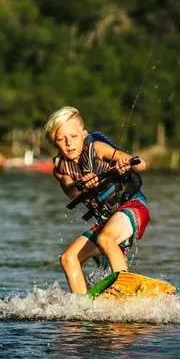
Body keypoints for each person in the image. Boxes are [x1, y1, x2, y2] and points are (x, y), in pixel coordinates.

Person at [45, 106, 150, 294]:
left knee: (105, 238)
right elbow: (71, 191)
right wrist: (82, 184)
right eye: (62, 139)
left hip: (133, 207)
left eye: (74, 137)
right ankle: (84, 306)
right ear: (55, 143)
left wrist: (124, 164)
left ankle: (122, 292)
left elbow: (141, 164)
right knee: (68, 258)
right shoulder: (61, 168)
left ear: (84, 134)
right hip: (107, 220)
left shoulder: (98, 148)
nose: (69, 143)